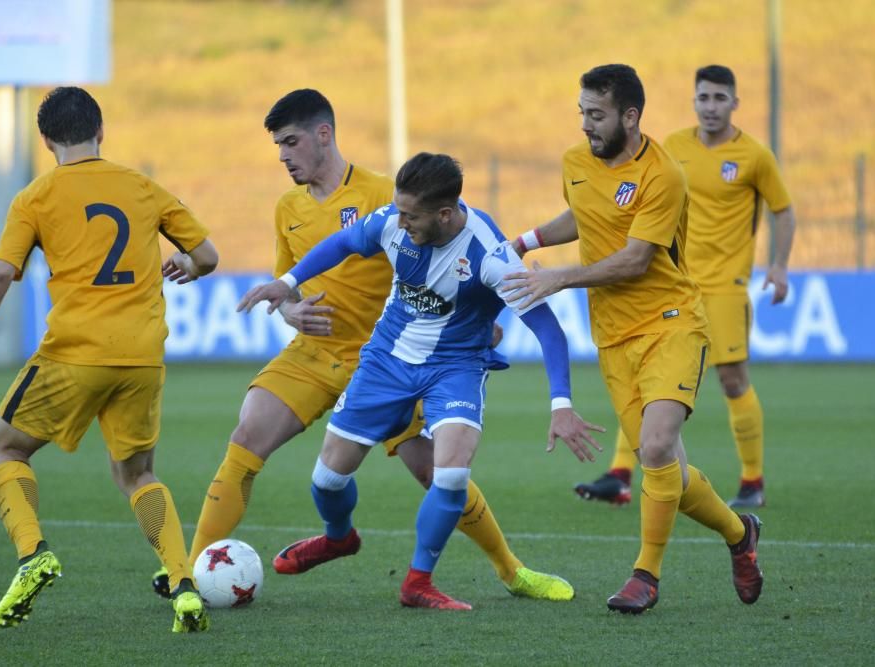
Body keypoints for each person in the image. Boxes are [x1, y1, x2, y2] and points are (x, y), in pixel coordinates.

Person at [152, 89, 587, 605]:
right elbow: (291, 277)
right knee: (251, 440)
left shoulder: (390, 195)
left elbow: (488, 293)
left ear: (323, 134)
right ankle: (193, 573)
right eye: (277, 146)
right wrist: (288, 298)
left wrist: (479, 324)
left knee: (440, 473)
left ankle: (510, 570)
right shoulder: (290, 207)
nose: (283, 156)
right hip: (319, 354)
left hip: (397, 355)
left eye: (291, 142)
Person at [238, 151, 603, 609]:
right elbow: (345, 242)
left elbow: (547, 328)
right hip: (387, 359)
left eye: (412, 215)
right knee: (328, 478)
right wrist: (288, 281)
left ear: (445, 214)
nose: (400, 220)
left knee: (450, 473)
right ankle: (338, 538)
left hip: (456, 367)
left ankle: (417, 581)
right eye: (399, 210)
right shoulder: (393, 220)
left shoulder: (488, 253)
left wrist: (561, 405)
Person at [0, 86, 219, 633]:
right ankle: (182, 585)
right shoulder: (141, 186)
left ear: (45, 141)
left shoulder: (36, 196)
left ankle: (33, 552)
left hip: (74, 352)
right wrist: (185, 263)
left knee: (5, 446)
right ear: (100, 131)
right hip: (141, 355)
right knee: (137, 473)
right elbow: (206, 255)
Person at [505, 64, 763, 613]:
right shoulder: (577, 162)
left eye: (595, 116)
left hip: (671, 320)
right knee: (660, 462)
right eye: (581, 113)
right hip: (614, 337)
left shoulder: (663, 175)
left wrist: (558, 277)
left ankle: (645, 575)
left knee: (659, 446)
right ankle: (740, 534)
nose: (585, 126)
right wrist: (525, 241)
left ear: (630, 116)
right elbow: (584, 215)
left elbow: (634, 259)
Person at [574, 65, 795, 509]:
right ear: (693, 102)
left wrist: (780, 266)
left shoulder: (754, 155)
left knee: (733, 379)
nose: (710, 107)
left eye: (719, 98)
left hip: (725, 284)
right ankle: (620, 475)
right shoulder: (671, 148)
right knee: (646, 380)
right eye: (703, 98)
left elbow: (783, 210)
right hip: (670, 282)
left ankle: (752, 479)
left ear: (734, 103)